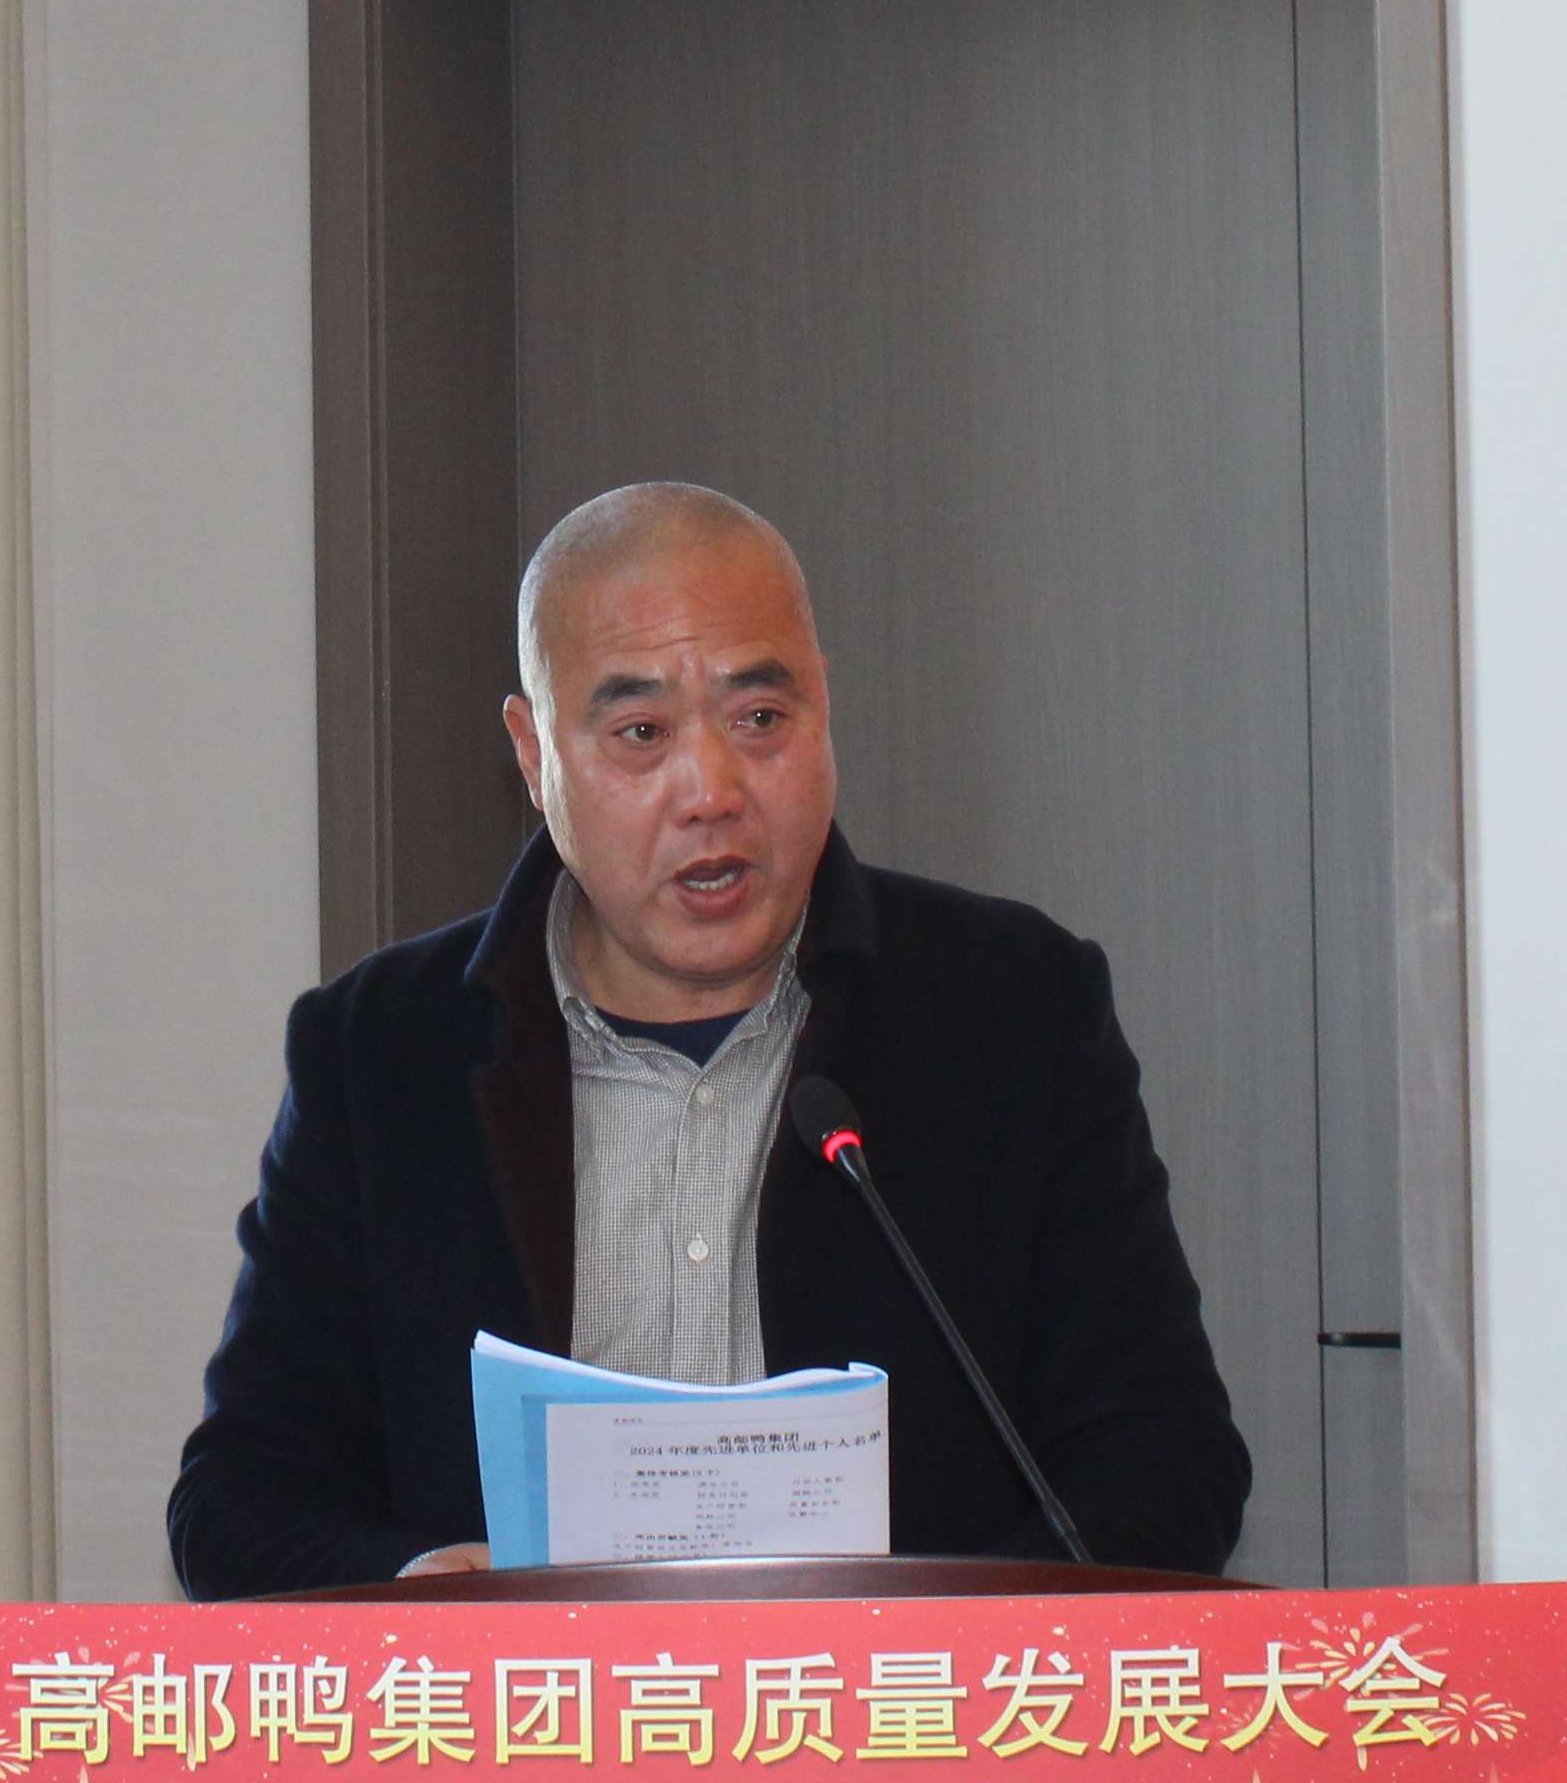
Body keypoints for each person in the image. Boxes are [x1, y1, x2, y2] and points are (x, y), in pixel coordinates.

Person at [167, 481, 1252, 1597]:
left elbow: (1167, 1464)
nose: (712, 792)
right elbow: (240, 1497)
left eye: (761, 719)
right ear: (534, 755)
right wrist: (431, 1597)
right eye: (641, 734)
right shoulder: (381, 1053)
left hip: (904, 1706)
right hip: (519, 1708)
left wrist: (927, 1640)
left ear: (824, 706)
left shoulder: (1012, 1013)